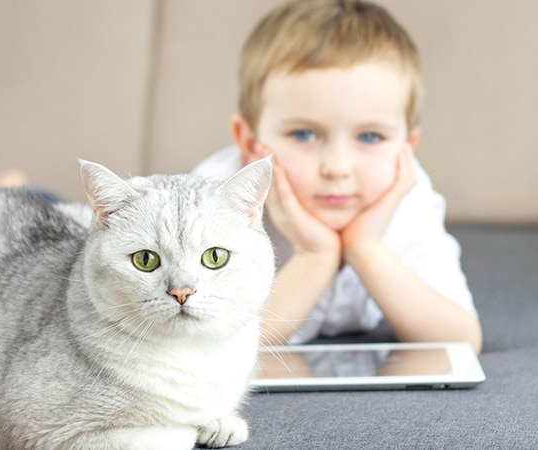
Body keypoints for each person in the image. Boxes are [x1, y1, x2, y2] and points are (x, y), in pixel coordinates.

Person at [192, 0, 483, 353]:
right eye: (303, 135)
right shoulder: (214, 204)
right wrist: (315, 256)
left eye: (370, 137)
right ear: (250, 143)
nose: (337, 167)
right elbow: (208, 346)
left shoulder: (406, 193)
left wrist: (366, 249)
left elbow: (462, 340)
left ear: (406, 146)